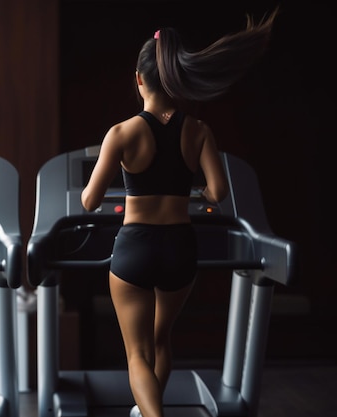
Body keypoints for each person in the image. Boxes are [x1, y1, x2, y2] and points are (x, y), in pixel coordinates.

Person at [81, 8, 278, 417]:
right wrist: (195, 191)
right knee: (160, 341)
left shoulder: (121, 133)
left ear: (139, 79)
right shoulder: (199, 131)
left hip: (135, 246)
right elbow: (218, 192)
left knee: (136, 354)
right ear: (176, 80)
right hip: (180, 248)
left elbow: (89, 201)